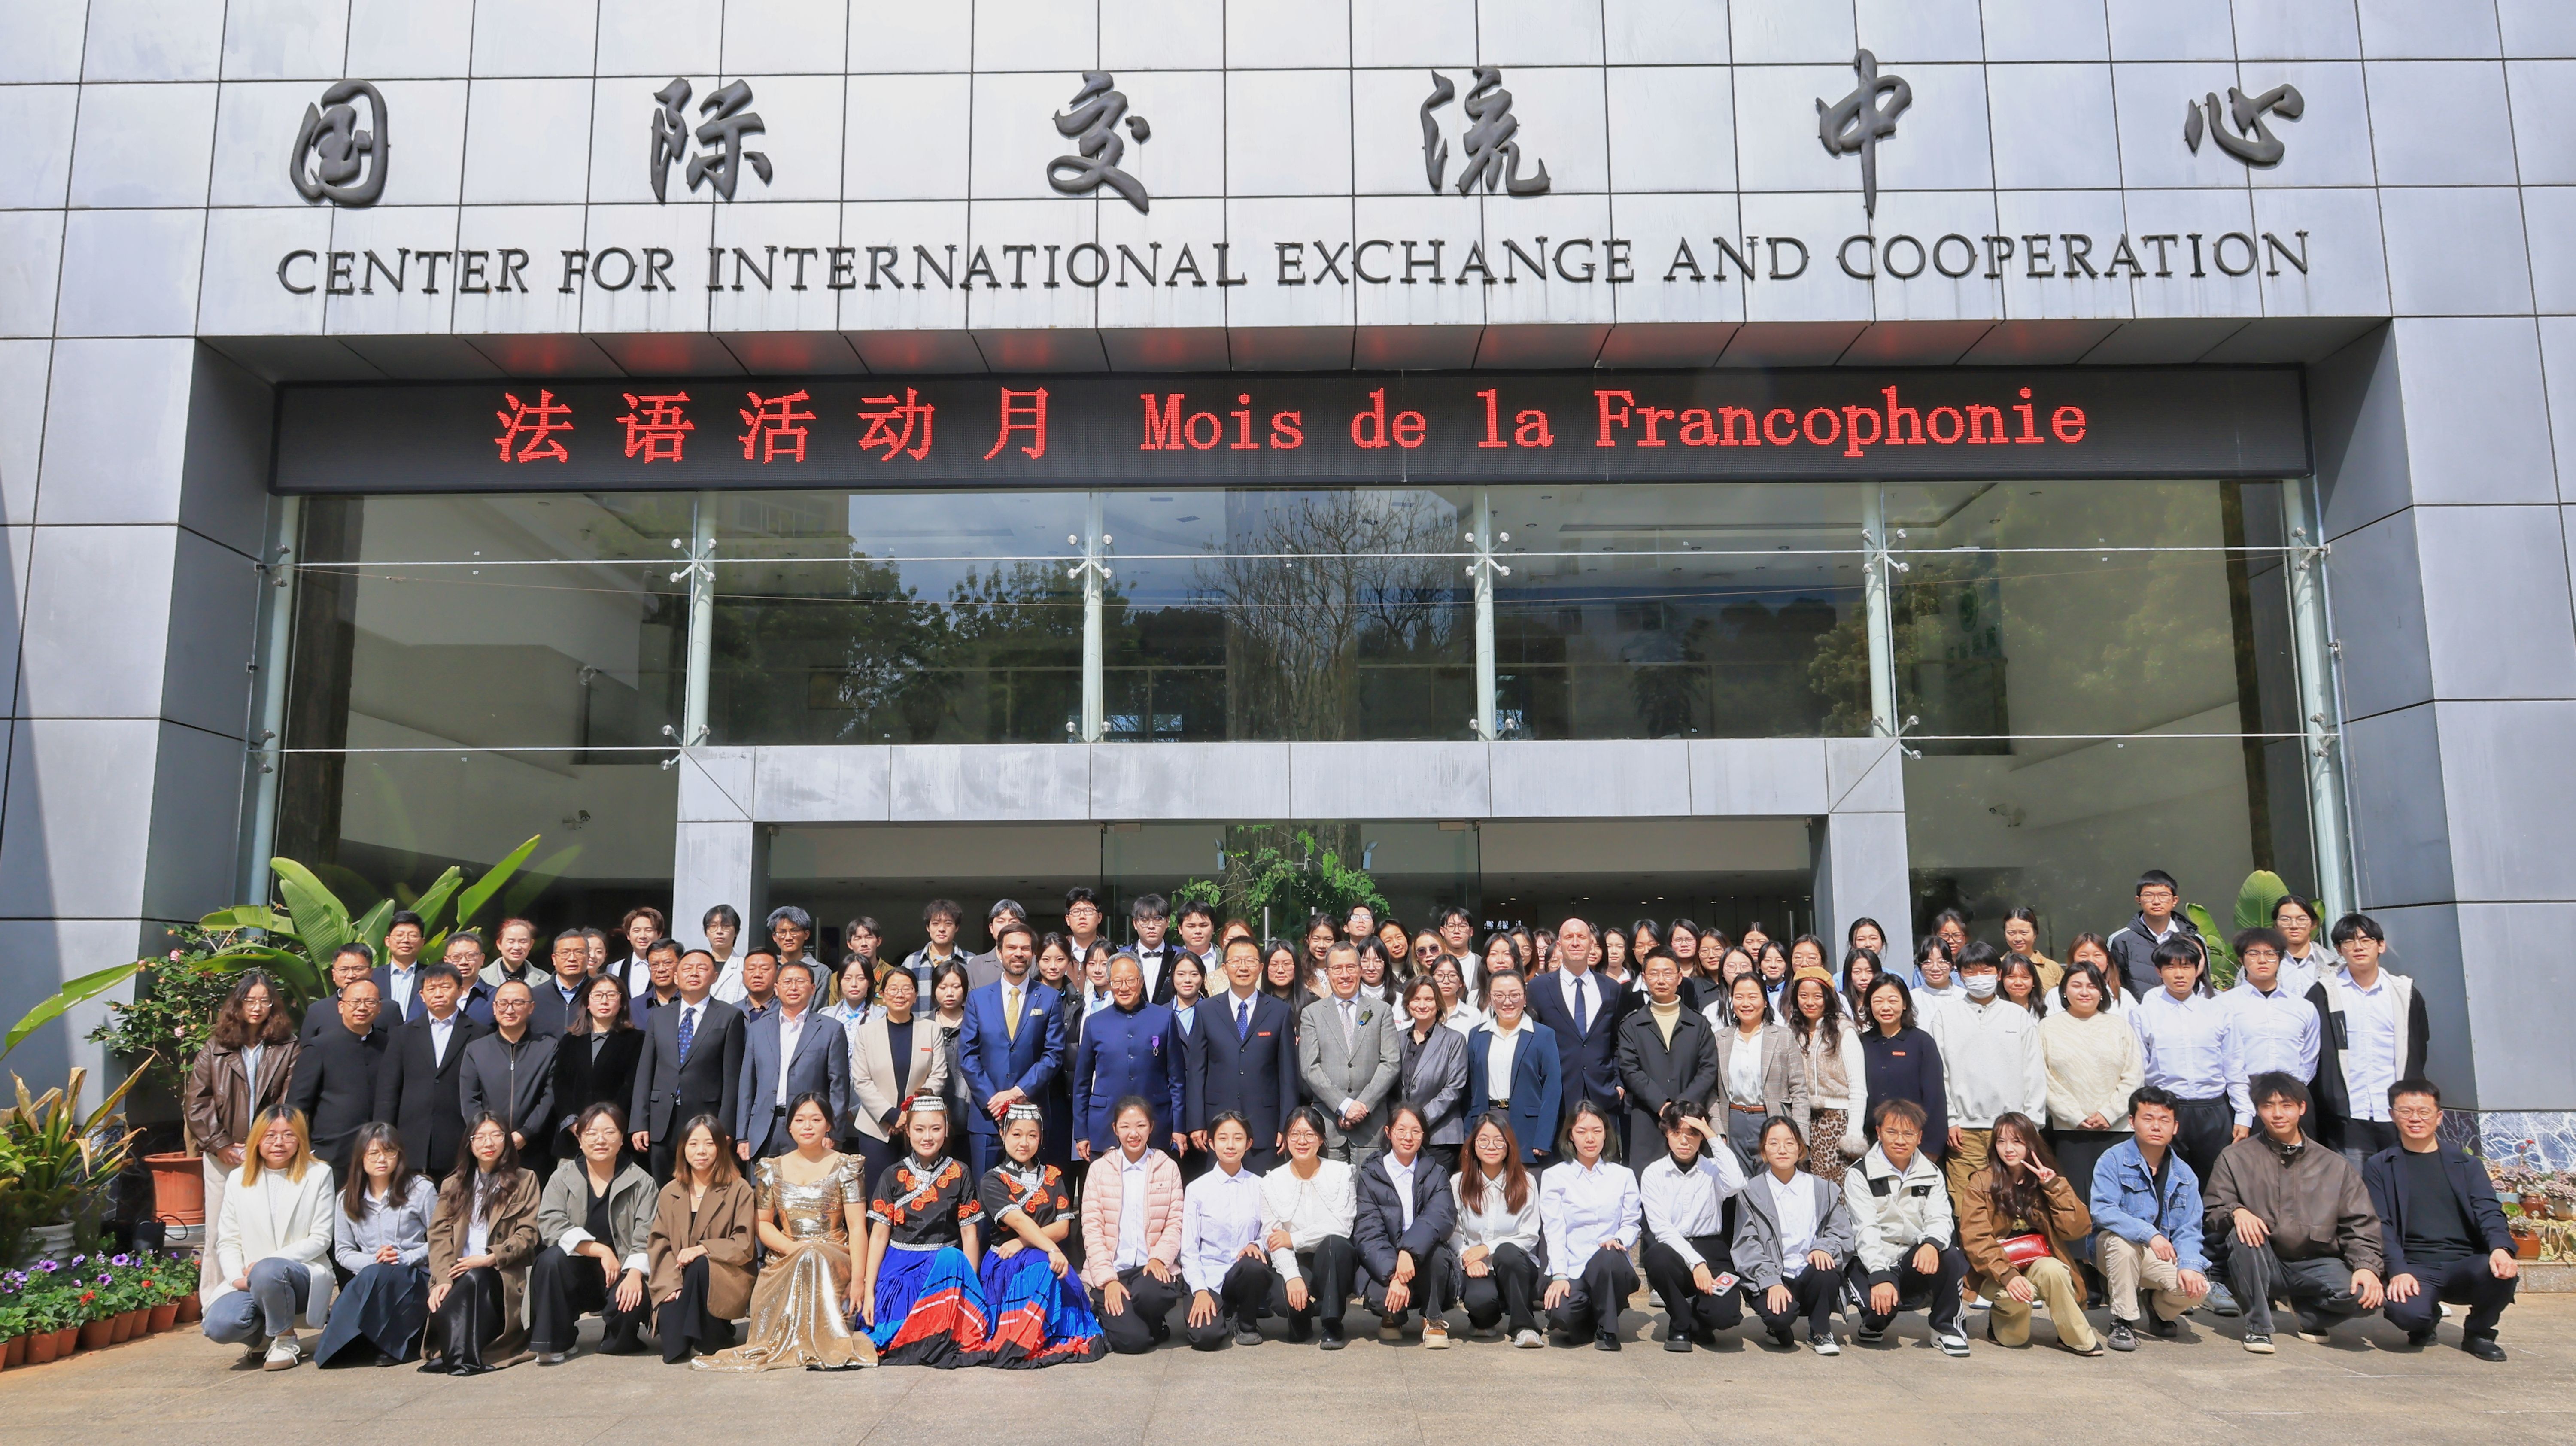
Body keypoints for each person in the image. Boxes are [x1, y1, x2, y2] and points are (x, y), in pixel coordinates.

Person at [2202, 1072, 2386, 1353]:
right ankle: (2258, 1326)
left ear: (2302, 1108)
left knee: (2365, 1295)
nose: (2278, 1114)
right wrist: (2236, 1212)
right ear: (2258, 1110)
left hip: (2316, 1262)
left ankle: (2308, 1312)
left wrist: (2366, 1266)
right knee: (2243, 1235)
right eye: (2268, 1106)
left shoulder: (2334, 1165)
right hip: (2261, 1260)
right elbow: (2214, 1208)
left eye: (2286, 1105)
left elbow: (2360, 1223)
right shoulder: (2235, 1157)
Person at [693, 1094, 873, 1371]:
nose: (807, 1126)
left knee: (812, 1255)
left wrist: (859, 1280)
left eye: (816, 1120)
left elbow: (858, 1227)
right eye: (800, 1120)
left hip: (832, 1252)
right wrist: (793, 1249)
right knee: (806, 1255)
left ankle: (825, 1342)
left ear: (829, 1126)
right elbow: (763, 1223)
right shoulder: (772, 1168)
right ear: (790, 1127)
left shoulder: (846, 1167)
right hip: (787, 1253)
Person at [2365, 1078, 2518, 1361]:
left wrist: (2501, 1247)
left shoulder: (2467, 1165)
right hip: (2415, 1266)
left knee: (2501, 1270)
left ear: (2439, 1116)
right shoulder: (2380, 1166)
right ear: (2392, 1115)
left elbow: (2488, 1209)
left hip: (2465, 1263)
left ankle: (2479, 1333)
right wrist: (2397, 1270)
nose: (2415, 1119)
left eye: (2424, 1112)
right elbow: (2380, 1223)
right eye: (2405, 1111)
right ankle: (2426, 1320)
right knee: (2406, 1314)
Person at [186, 971, 301, 1295]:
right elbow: (197, 1101)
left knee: (265, 1232)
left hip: (270, 1155)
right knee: (218, 1233)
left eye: (265, 1000)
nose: (257, 1007)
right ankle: (213, 1302)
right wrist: (220, 1144)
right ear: (238, 1004)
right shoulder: (216, 1047)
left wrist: (268, 1144)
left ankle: (262, 1297)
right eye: (250, 1000)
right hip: (223, 1155)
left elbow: (289, 1101)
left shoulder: (288, 1046)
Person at [200, 1106, 337, 1371]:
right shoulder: (238, 1179)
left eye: (288, 1135)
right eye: (270, 1135)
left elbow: (321, 1238)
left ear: (300, 1139)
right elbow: (228, 1240)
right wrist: (236, 1278)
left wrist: (265, 1265)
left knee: (269, 1270)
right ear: (257, 1140)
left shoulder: (319, 1174)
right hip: (251, 1278)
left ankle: (285, 1339)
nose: (279, 1143)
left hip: (301, 1275)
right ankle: (264, 1337)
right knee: (219, 1326)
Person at [973, 1103, 1108, 1367]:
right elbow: (1018, 1220)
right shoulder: (993, 1180)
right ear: (1002, 1134)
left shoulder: (1053, 1176)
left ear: (1041, 1138)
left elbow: (1063, 1227)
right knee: (1044, 1266)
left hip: (1044, 1254)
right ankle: (1023, 1336)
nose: (1024, 1142)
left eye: (1032, 1135)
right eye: (1017, 1134)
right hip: (1007, 1261)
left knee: (1050, 1269)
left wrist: (1024, 1242)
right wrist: (1051, 1249)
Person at [860, 1096, 989, 1366]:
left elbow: (969, 1235)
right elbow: (879, 1236)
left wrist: (971, 1288)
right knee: (893, 1334)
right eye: (919, 1129)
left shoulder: (960, 1173)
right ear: (907, 1131)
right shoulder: (891, 1175)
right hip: (900, 1267)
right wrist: (868, 1291)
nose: (927, 1137)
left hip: (943, 1269)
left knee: (952, 1258)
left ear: (947, 1130)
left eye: (935, 1129)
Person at [1957, 1111, 2100, 1354]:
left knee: (2055, 1270)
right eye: (2001, 1141)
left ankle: (2076, 1338)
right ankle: (2002, 1324)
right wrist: (2008, 1275)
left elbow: (2077, 1229)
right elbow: (1976, 1238)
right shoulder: (1981, 1182)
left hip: (2037, 1263)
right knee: (2014, 1335)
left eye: (2017, 1142)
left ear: (2031, 1145)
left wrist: (2054, 1187)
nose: (2008, 1149)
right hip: (1995, 1270)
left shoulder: (2045, 1181)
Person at [528, 1103, 659, 1364]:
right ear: (579, 1139)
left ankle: (620, 1338)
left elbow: (648, 1232)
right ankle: (556, 1342)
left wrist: (635, 1274)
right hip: (575, 1271)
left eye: (609, 1132)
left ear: (622, 1138)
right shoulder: (562, 1177)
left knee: (628, 1307)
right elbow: (550, 1223)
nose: (600, 1140)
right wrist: (600, 1250)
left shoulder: (642, 1182)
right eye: (591, 1133)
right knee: (550, 1259)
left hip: (621, 1272)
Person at [1844, 1097, 1971, 1355]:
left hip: (1911, 1259)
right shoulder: (1860, 1174)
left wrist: (1931, 1244)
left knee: (1950, 1256)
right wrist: (1880, 1276)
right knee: (1879, 1309)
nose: (1900, 1140)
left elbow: (1940, 1218)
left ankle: (1946, 1329)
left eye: (1908, 1134)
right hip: (1872, 1260)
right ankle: (1874, 1321)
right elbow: (1865, 1230)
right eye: (1892, 1132)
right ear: (1879, 1132)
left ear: (1920, 1137)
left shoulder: (1932, 1173)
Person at [2089, 1085, 2212, 1352]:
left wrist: (2190, 1265)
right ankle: (2123, 1320)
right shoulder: (2113, 1160)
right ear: (2132, 1122)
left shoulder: (2185, 1175)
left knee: (2198, 1288)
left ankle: (2158, 1308)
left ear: (2175, 1127)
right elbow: (2103, 1210)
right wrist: (2149, 1234)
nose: (2156, 1126)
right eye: (2148, 1118)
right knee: (2123, 1244)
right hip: (2112, 1250)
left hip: (2158, 1256)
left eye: (2164, 1120)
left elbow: (2190, 1229)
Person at [420, 1113, 542, 1374]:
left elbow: (529, 1233)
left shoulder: (525, 1180)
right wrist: (442, 1278)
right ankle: (458, 1353)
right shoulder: (453, 1184)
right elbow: (439, 1235)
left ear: (506, 1140)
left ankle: (459, 1355)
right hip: (458, 1272)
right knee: (460, 1284)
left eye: (496, 1135)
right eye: (481, 1137)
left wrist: (491, 1257)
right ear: (470, 1143)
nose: (489, 1143)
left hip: (501, 1272)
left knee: (477, 1277)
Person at [1926, 942, 2047, 1201]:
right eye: (1971, 972)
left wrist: (2031, 1125)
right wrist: (1949, 1119)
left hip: (2012, 1131)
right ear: (1960, 976)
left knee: (2012, 1202)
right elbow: (1938, 1074)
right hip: (1963, 1134)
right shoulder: (1945, 1017)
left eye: (1986, 971)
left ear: (1999, 974)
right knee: (1966, 1204)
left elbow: (2034, 1072)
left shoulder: (2018, 1016)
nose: (1979, 978)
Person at [314, 1122, 437, 1367]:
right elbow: (344, 1252)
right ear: (361, 1157)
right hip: (370, 1279)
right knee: (373, 1275)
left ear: (399, 1155)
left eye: (389, 1152)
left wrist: (404, 1257)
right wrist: (374, 1260)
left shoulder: (421, 1190)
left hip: (413, 1275)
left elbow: (441, 1239)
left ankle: (394, 1344)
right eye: (373, 1153)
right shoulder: (346, 1198)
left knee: (381, 1274)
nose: (382, 1159)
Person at [2308, 913, 2429, 1163]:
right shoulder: (2324, 993)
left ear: (2381, 946)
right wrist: (2332, 1100)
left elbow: (2419, 1048)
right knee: (2352, 1184)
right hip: (2347, 1115)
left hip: (2396, 1111)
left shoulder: (2404, 994)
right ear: (2339, 950)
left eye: (2366, 940)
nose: (2358, 947)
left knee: (2398, 1181)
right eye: (2349, 942)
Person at [958, 921, 1068, 1179]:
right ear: (1000, 953)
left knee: (1031, 1193)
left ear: (1033, 955)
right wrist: (994, 1100)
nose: (1018, 953)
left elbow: (1053, 1055)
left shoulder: (1049, 998)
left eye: (1025, 948)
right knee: (985, 1192)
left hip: (1031, 1114)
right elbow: (968, 1055)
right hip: (988, 1116)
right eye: (1011, 948)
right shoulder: (978, 998)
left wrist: (1018, 1092)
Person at [2126, 938, 2233, 1197]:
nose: (2179, 974)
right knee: (2166, 1182)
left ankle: (2213, 1225)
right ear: (2159, 971)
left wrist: (2242, 1114)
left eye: (2186, 967)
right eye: (2171, 967)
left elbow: (2234, 1065)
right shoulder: (2144, 1014)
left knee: (2216, 1183)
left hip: (2213, 1109)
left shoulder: (2218, 1012)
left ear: (2197, 969)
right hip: (2166, 1109)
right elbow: (2139, 1068)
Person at [645, 1115, 756, 1364]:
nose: (701, 1151)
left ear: (721, 1148)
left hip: (723, 1278)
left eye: (709, 1144)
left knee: (700, 1265)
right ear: (683, 1148)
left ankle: (716, 1333)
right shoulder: (670, 1192)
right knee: (674, 1350)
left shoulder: (739, 1189)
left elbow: (744, 1244)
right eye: (693, 1144)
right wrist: (670, 1285)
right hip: (678, 1279)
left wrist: (703, 1249)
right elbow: (659, 1243)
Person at [1638, 1101, 1747, 1352]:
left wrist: (1711, 1134)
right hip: (1672, 1249)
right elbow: (1662, 1229)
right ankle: (1680, 1323)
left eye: (1693, 1134)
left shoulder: (1714, 1169)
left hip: (1712, 1249)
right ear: (1667, 1134)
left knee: (1726, 1316)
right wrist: (1696, 1264)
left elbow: (1737, 1183)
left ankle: (1698, 1319)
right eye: (1677, 1133)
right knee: (1657, 1257)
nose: (1684, 1141)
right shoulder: (1654, 1173)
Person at [1081, 1096, 1187, 1354]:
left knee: (1155, 1294)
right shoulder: (1099, 1170)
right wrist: (1108, 1281)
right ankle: (1118, 1318)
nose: (1133, 1134)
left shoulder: (1167, 1167)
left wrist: (1159, 1258)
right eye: (1125, 1126)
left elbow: (1175, 1222)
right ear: (1115, 1129)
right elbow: (1092, 1229)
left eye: (1141, 1126)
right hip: (1114, 1269)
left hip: (1150, 1269)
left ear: (1151, 1127)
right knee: (1134, 1342)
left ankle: (1149, 1319)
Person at [1188, 936, 1302, 1175]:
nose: (1243, 967)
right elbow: (1197, 1071)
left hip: (1265, 1126)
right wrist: (1196, 1122)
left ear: (1260, 968)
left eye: (1250, 961)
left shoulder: (1279, 1012)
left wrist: (1287, 1124)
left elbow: (1288, 1076)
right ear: (1225, 967)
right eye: (1236, 961)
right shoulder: (1206, 1011)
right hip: (1217, 1125)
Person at [630, 950, 746, 1182]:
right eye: (687, 968)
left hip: (706, 1119)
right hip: (662, 1119)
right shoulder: (659, 1016)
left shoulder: (730, 1016)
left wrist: (726, 1127)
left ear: (715, 977)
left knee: (704, 1186)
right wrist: (640, 1122)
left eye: (702, 968)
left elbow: (733, 1078)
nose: (694, 973)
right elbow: (645, 1071)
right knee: (664, 1188)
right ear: (676, 976)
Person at [2038, 962, 2143, 1206]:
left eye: (2092, 986)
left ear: (2102, 992)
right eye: (2077, 985)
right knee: (2077, 1205)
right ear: (2064, 991)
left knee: (2121, 1201)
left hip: (2117, 1129)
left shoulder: (2119, 1026)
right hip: (2070, 1132)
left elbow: (2134, 1075)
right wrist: (2074, 1116)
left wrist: (2110, 1113)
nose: (2085, 992)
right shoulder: (2047, 1028)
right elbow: (2043, 1078)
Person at [371, 962, 484, 1185]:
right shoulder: (403, 1035)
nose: (438, 994)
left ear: (460, 991)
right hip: (411, 1137)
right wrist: (383, 1134)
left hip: (458, 1136)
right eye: (432, 989)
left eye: (446, 987)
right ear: (422, 995)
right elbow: (388, 1090)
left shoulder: (480, 1034)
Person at [1538, 1100, 1639, 1350]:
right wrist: (1559, 1276)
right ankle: (1595, 1315)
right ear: (1570, 1136)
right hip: (1574, 1266)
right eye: (1582, 1132)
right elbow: (1554, 1232)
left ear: (1606, 1133)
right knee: (1562, 1316)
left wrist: (1619, 1240)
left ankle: (1608, 1330)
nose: (1590, 1139)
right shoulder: (1554, 1176)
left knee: (1608, 1255)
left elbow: (1631, 1223)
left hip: (1610, 1266)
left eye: (1597, 1130)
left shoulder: (1623, 1176)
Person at [1354, 1103, 1457, 1346]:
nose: (1408, 1137)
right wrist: (1395, 1274)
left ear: (1424, 1135)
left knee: (1439, 1255)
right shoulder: (1370, 1174)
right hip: (1387, 1261)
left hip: (1424, 1257)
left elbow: (1441, 1217)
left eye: (1416, 1131)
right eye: (1401, 1130)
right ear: (1388, 1132)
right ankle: (1394, 1317)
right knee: (1381, 1298)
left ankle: (1433, 1317)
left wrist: (1408, 1252)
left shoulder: (1436, 1173)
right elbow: (1368, 1232)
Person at [1261, 1106, 1359, 1348]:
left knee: (1334, 1244)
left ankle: (1332, 1324)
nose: (1302, 1141)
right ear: (1285, 1139)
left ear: (1322, 1139)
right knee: (1283, 1297)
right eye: (1295, 1134)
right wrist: (1292, 1276)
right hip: (1295, 1259)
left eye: (1309, 1134)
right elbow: (1274, 1239)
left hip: (1332, 1260)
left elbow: (1342, 1226)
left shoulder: (1341, 1173)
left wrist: (1294, 1238)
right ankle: (1301, 1318)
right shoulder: (1271, 1182)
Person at [1072, 955, 1186, 1163]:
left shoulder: (1164, 1018)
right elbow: (1082, 1084)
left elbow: (1177, 1080)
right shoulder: (1094, 1023)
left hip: (1156, 1123)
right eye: (1117, 982)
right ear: (1110, 983)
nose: (1124, 988)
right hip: (1105, 1124)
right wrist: (1081, 1134)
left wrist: (1178, 1127)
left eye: (1131, 981)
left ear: (1141, 981)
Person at [736, 959, 851, 1160]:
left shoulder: (831, 1029)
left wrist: (832, 1133)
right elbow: (747, 1085)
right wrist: (742, 1136)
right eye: (787, 982)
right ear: (776, 988)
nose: (794, 987)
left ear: (813, 988)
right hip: (764, 1129)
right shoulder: (758, 1029)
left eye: (801, 981)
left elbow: (839, 1087)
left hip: (810, 1130)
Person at [1300, 942, 1402, 1163]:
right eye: (1337, 969)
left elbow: (1391, 1063)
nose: (1345, 975)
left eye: (1350, 967)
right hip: (1329, 1126)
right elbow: (1310, 1068)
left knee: (1369, 1185)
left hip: (1371, 1126)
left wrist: (1362, 1106)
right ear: (1328, 973)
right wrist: (1344, 1106)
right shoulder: (1312, 1014)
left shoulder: (1381, 1011)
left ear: (1360, 970)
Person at [1523, 917, 1625, 1140]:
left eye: (1582, 937)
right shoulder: (1539, 988)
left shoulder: (1612, 989)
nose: (1576, 942)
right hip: (1557, 1095)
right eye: (1569, 937)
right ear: (1559, 945)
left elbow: (1618, 1041)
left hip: (1603, 1094)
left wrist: (1618, 1082)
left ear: (1591, 944)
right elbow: (1532, 1043)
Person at [1616, 949, 1718, 1168]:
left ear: (1680, 978)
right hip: (1648, 1119)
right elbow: (1629, 1068)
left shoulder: (1699, 1024)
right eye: (1654, 974)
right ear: (1644, 978)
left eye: (1668, 973)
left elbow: (1708, 1069)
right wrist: (1661, 1104)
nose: (1661, 980)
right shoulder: (1631, 1025)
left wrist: (1681, 1108)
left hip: (1690, 1119)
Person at [848, 966, 951, 1185]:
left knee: (917, 1192)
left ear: (916, 995)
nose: (900, 994)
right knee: (877, 1194)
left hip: (919, 1128)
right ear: (883, 995)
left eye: (907, 989)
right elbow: (862, 1081)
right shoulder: (866, 1033)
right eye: (893, 989)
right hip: (875, 1128)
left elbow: (938, 1076)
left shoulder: (931, 1030)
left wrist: (909, 1115)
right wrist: (892, 1115)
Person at [1179, 1112, 1273, 1349]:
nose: (1230, 1145)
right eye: (1223, 1138)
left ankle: (1247, 1323)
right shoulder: (1197, 1189)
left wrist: (1257, 1245)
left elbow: (1269, 1232)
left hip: (1244, 1276)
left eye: (1238, 1138)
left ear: (1249, 1144)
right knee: (1205, 1338)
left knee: (1253, 1264)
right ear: (1211, 1143)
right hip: (1208, 1278)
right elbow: (1189, 1250)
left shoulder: (1261, 1186)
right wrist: (1200, 1290)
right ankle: (1225, 1313)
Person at [2222, 927, 2324, 1142]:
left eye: (2270, 954)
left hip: (2292, 1097)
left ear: (2280, 958)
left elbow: (2310, 1056)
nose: (2263, 960)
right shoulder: (2223, 1006)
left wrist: (2292, 1090)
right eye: (2254, 954)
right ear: (2241, 959)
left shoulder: (2303, 1007)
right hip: (2243, 1099)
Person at [1451, 1114, 1544, 1346]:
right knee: (1481, 1304)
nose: (1491, 1147)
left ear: (1509, 1144)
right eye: (1483, 1140)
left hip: (1517, 1268)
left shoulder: (1526, 1182)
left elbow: (1530, 1235)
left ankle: (1524, 1327)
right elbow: (1454, 1232)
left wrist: (1486, 1248)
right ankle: (1486, 1319)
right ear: (1473, 1145)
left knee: (1507, 1252)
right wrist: (1467, 1257)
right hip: (1478, 1268)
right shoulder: (1459, 1182)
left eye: (1498, 1140)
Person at [461, 979, 561, 1184]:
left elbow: (550, 1095)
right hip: (489, 1148)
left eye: (518, 1003)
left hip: (536, 1147)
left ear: (531, 1007)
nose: (509, 1010)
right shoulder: (477, 1050)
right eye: (503, 1003)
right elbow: (469, 1099)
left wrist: (526, 1133)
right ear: (494, 1007)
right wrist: (489, 1135)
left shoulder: (548, 1047)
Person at [1708, 972, 1806, 1167]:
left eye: (1753, 997)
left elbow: (1799, 1090)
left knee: (1773, 1181)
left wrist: (1799, 1135)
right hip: (1733, 1122)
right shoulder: (1719, 1039)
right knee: (1738, 1183)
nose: (1746, 1004)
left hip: (1774, 1120)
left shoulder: (1784, 1037)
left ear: (1765, 1002)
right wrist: (1718, 1130)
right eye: (1739, 997)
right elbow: (1711, 1091)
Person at [1465, 971, 1561, 1167]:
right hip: (1487, 1124)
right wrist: (1469, 1136)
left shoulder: (1543, 1035)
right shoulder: (1477, 1035)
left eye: (1514, 995)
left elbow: (1552, 1090)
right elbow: (1470, 1090)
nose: (1507, 1002)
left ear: (1525, 998)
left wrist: (1544, 1138)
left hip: (1528, 1129)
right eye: (1499, 996)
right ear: (1490, 998)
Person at [550, 974, 643, 1170]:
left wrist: (608, 1124)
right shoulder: (570, 1040)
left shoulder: (636, 1040)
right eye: (598, 995)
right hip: (573, 1137)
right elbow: (560, 1084)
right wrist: (574, 1123)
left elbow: (632, 1086)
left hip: (616, 1135)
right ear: (587, 1002)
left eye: (611, 995)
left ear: (622, 1002)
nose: (604, 1001)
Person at [1787, 969, 1868, 1183]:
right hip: (1802, 1119)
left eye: (1817, 996)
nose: (1810, 1002)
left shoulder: (1844, 1031)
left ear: (1828, 998)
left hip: (1837, 1121)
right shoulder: (1792, 1031)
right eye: (1803, 996)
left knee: (1835, 1189)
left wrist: (1853, 1133)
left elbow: (1858, 1087)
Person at [1858, 975, 1949, 1160]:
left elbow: (1935, 1098)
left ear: (1905, 1004)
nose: (1885, 1007)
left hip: (1914, 1143)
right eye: (1878, 1001)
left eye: (1893, 1001)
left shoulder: (1922, 1042)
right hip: (1872, 1142)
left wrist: (1931, 1149)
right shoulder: (1862, 1043)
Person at [1394, 977, 1469, 1175]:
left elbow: (1454, 1090)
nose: (1422, 1005)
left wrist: (1418, 1120)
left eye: (1428, 999)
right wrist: (1402, 1123)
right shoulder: (1397, 1039)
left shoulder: (1454, 1040)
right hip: (1403, 1136)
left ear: (1438, 1004)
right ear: (1408, 1003)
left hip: (1440, 1137)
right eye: (1416, 999)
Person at [2106, 869, 2200, 1000]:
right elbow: (2112, 985)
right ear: (2138, 900)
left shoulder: (2193, 939)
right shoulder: (2121, 940)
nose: (2156, 901)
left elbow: (2203, 984)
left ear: (2175, 900)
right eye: (2149, 895)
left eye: (2163, 895)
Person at [298, 944, 382, 1046]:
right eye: (344, 970)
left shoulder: (388, 1009)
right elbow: (307, 1050)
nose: (351, 976)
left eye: (358, 969)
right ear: (334, 975)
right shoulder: (317, 1010)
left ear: (370, 972)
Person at [928, 960, 974, 1127]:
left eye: (956, 987)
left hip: (966, 1113)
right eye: (943, 987)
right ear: (934, 990)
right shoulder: (924, 1025)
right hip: (929, 1114)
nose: (949, 993)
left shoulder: (975, 1025)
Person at [527, 930, 593, 1039]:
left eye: (579, 952)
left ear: (588, 957)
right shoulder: (534, 997)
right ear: (554, 959)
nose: (572, 959)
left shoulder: (599, 994)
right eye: (565, 953)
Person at [2272, 896, 2333, 996]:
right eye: (2286, 920)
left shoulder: (2335, 965)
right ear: (2276, 925)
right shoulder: (2261, 963)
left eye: (2301, 919)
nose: (2294, 926)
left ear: (2314, 924)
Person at [901, 898, 966, 988]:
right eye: (936, 923)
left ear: (957, 927)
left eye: (948, 923)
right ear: (928, 927)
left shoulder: (971, 962)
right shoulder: (911, 962)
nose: (942, 929)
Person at [2002, 907, 2062, 992]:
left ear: (2035, 933)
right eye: (2011, 933)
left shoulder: (2052, 968)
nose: (2018, 939)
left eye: (2024, 933)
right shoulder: (1997, 966)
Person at [627, 938, 683, 1026]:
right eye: (655, 965)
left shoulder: (692, 1002)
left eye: (668, 963)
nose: (661, 970)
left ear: (681, 964)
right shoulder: (634, 1007)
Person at [480, 918, 542, 994]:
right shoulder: (479, 979)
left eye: (523, 941)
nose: (517, 947)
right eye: (511, 941)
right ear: (499, 944)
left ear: (531, 944)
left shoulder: (545, 980)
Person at [819, 953, 875, 1032]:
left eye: (861, 978)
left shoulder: (881, 1016)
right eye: (848, 978)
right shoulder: (825, 1016)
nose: (854, 984)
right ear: (840, 982)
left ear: (870, 982)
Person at [700, 903, 744, 996]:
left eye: (726, 926)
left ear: (737, 932)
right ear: (706, 932)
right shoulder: (697, 966)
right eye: (713, 926)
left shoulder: (744, 967)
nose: (719, 931)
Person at [1910, 936, 1961, 1012]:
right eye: (1928, 962)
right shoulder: (1912, 999)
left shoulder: (1964, 997)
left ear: (1951, 964)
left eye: (1942, 962)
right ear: (1920, 966)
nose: (1935, 969)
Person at [1432, 956, 1481, 1034]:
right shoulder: (1424, 1012)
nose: (1446, 981)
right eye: (1440, 975)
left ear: (1461, 981)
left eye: (1452, 975)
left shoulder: (1473, 1015)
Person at [1840, 945, 1880, 1024]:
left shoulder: (1885, 1004)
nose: (1864, 978)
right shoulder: (1841, 1003)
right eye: (1857, 972)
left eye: (1870, 971)